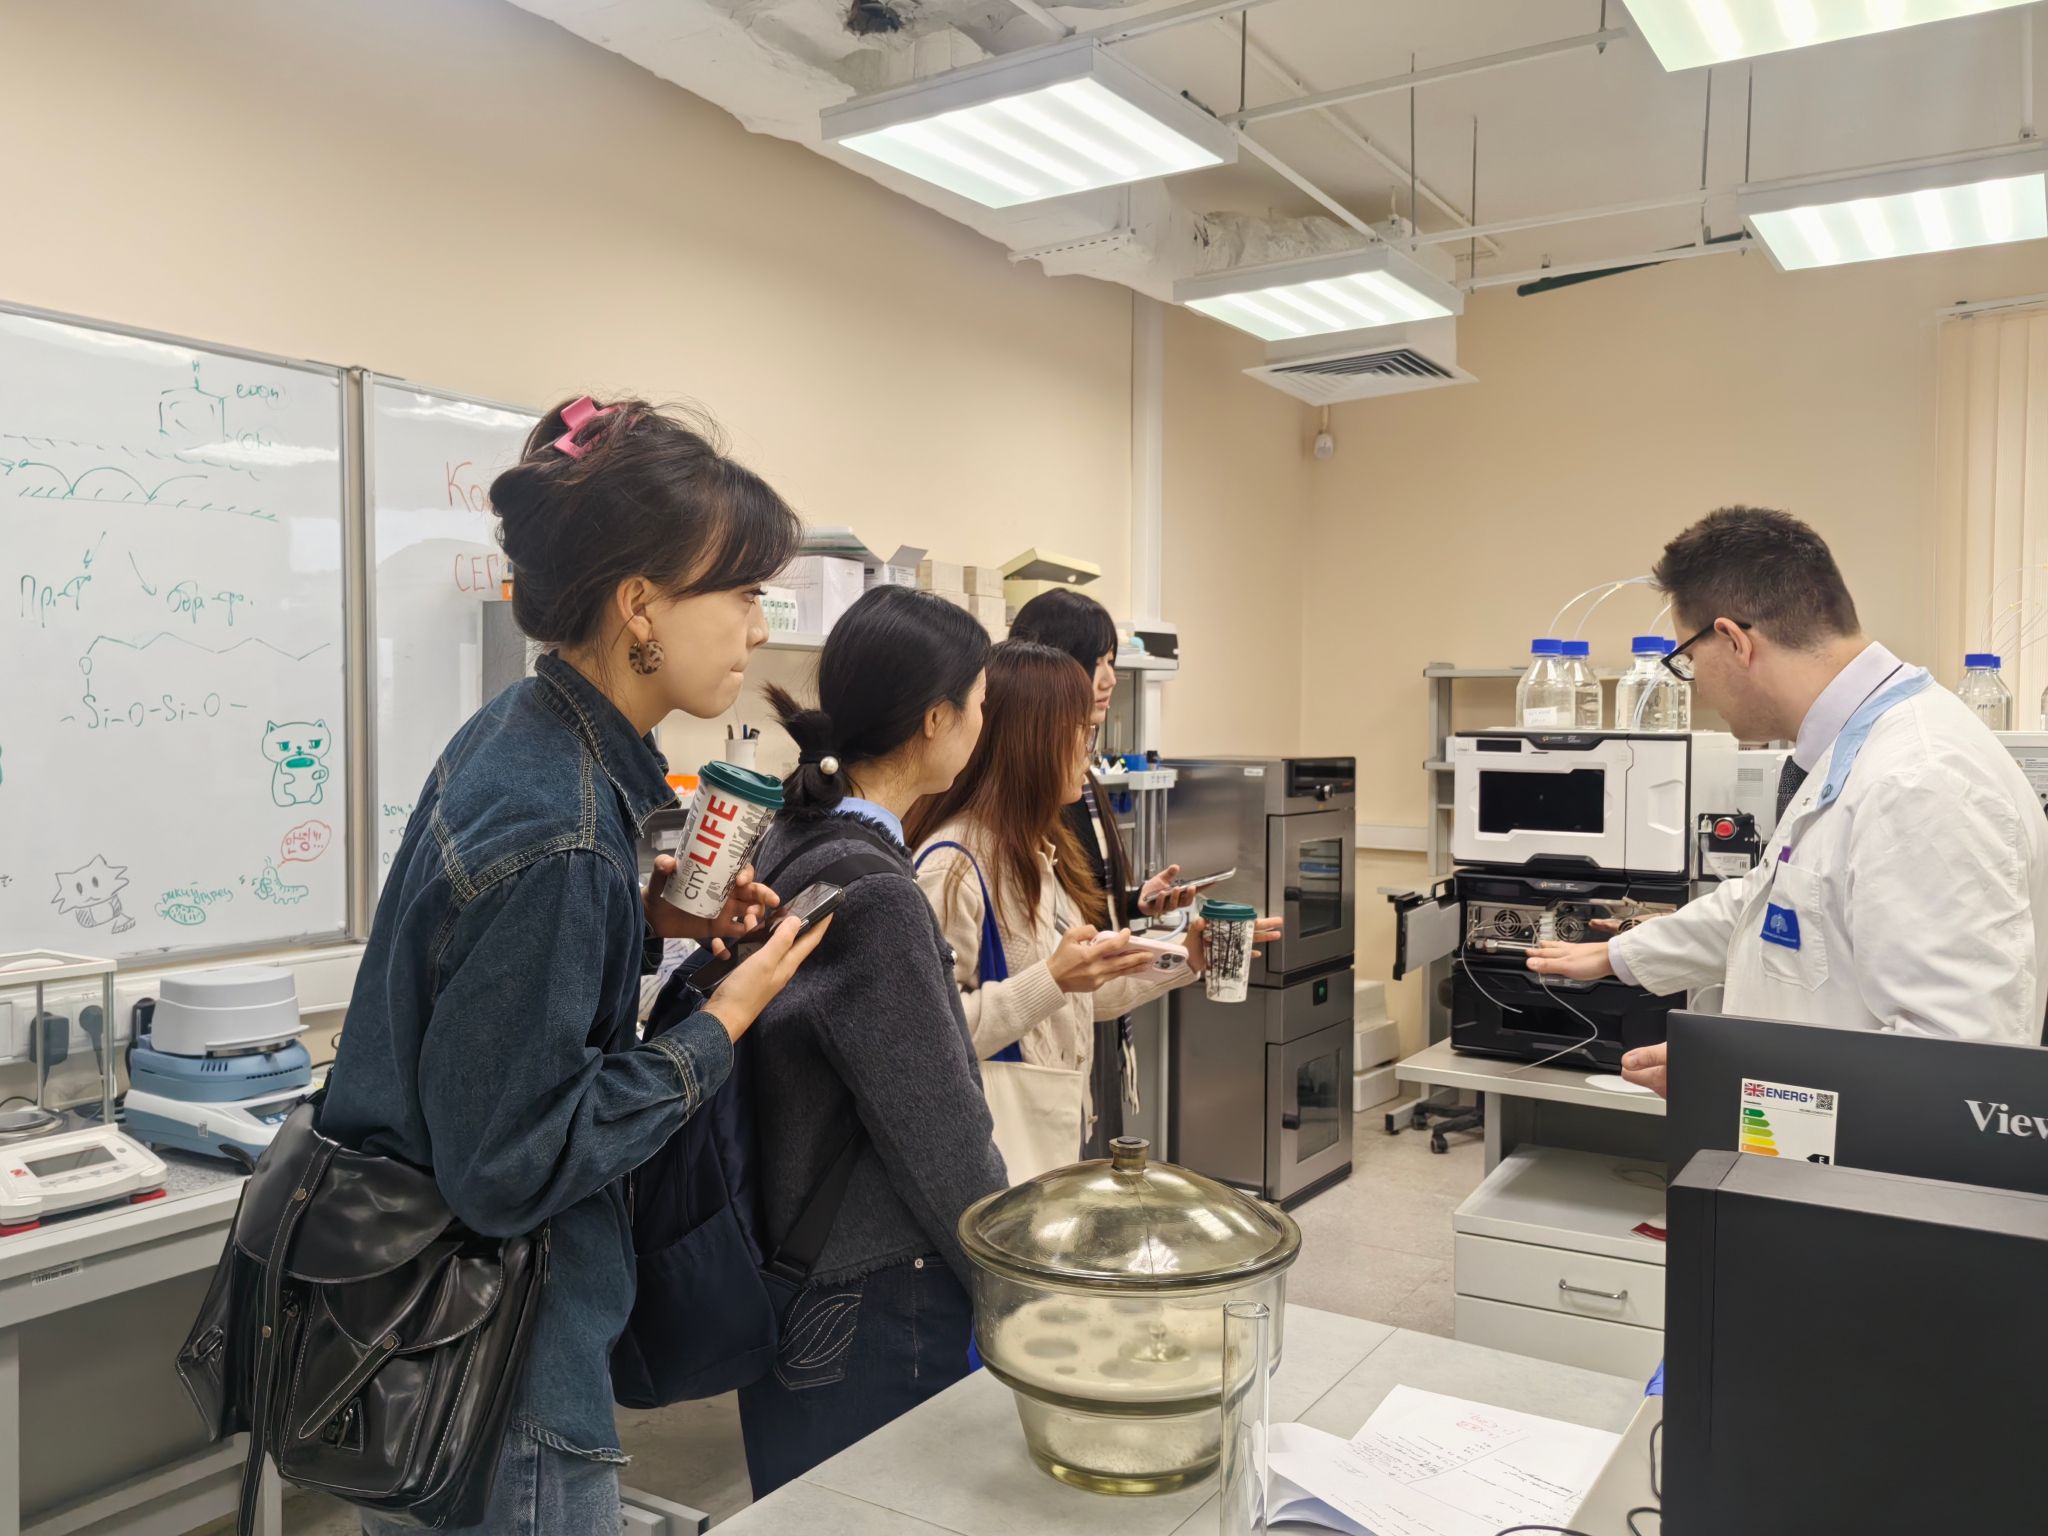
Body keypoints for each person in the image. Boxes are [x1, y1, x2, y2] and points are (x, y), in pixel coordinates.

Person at [321, 398, 831, 1535]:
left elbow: (492, 983)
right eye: (742, 594)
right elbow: (510, 1164)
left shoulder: (524, 734)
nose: (758, 629)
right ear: (641, 603)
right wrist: (721, 1023)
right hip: (498, 1387)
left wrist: (643, 919)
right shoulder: (561, 826)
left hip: (427, 1362)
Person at [1528, 506, 2048, 1094]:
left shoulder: (1920, 780)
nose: (1697, 685)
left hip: (1864, 1152)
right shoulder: (1852, 748)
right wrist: (1621, 954)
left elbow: (1955, 1060)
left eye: (1688, 661)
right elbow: (1780, 901)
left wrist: (1736, 1075)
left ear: (1733, 641)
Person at [736, 584, 1009, 1497]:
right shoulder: (881, 895)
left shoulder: (793, 836)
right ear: (935, 719)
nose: (983, 724)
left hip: (788, 1270)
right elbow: (939, 1134)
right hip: (871, 1298)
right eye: (978, 704)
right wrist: (1014, 1282)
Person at [908, 641, 1281, 1154]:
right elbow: (928, 1038)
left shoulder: (1037, 851)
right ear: (1031, 742)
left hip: (1054, 1132)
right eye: (1081, 733)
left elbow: (1080, 998)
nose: (1090, 752)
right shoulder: (952, 867)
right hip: (993, 1147)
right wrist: (1053, 978)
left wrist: (1187, 956)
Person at [1008, 589, 1197, 1152]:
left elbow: (1078, 889)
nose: (1109, 679)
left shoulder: (1079, 775)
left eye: (1112, 662)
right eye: (1098, 662)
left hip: (1096, 1000)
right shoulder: (1031, 788)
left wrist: (1135, 900)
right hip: (1050, 1024)